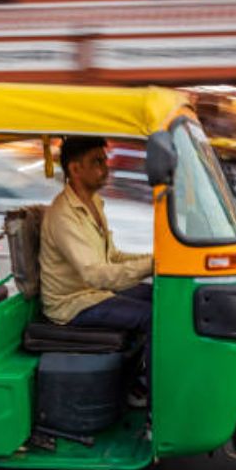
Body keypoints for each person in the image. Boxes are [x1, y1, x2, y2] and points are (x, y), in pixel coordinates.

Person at [39, 137, 154, 401]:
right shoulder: (63, 215)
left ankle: (136, 380)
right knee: (153, 316)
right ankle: (151, 395)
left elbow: (111, 255)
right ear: (75, 169)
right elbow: (96, 274)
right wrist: (150, 266)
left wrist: (157, 260)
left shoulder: (95, 203)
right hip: (72, 304)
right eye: (97, 162)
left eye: (105, 160)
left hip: (94, 293)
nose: (106, 167)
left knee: (160, 298)